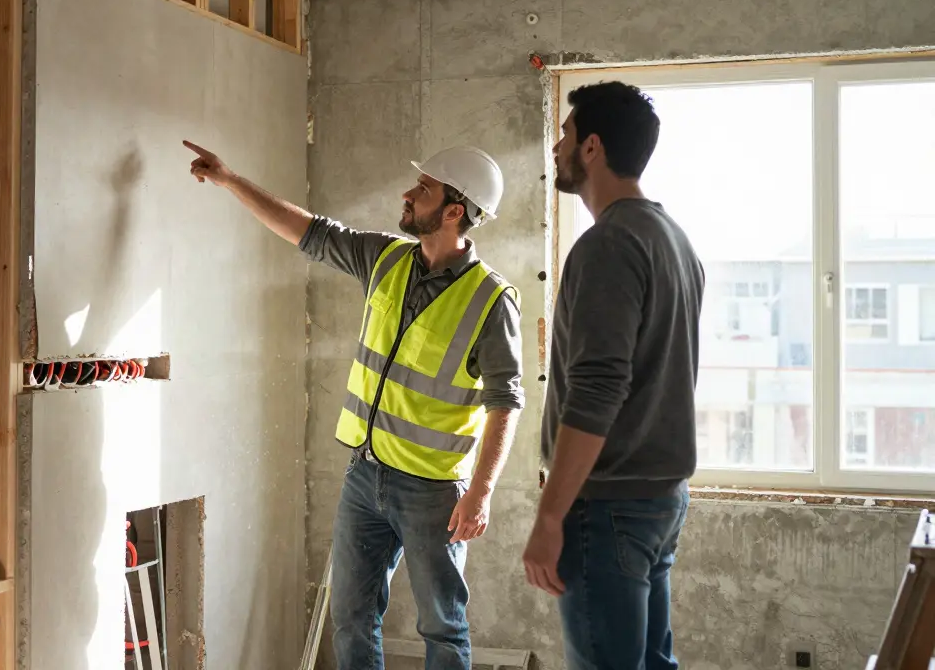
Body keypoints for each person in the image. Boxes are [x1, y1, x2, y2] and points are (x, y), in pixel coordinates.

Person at [183, 140, 525, 669]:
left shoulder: (490, 300)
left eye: (424, 190)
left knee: (443, 628)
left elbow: (506, 402)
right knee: (352, 620)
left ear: (454, 211)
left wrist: (479, 493)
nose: (408, 195)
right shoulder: (385, 259)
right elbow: (310, 232)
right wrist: (230, 180)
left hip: (434, 490)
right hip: (365, 477)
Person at [522, 81, 704, 670]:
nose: (557, 147)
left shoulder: (608, 245)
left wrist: (550, 516)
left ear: (593, 147)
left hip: (608, 508)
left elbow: (599, 390)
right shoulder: (673, 239)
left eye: (566, 135)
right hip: (657, 500)